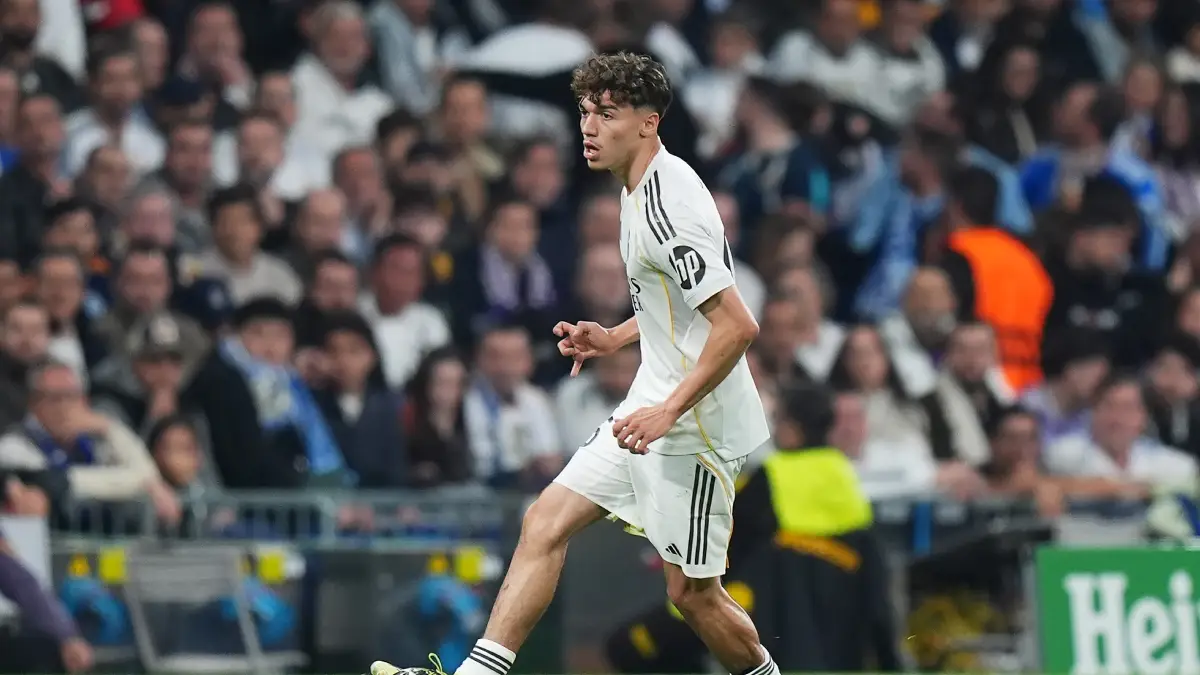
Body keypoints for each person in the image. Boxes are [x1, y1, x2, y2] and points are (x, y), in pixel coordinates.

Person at [372, 52, 776, 675]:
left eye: (607, 114)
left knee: (692, 596)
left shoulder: (670, 208)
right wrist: (616, 338)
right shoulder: (637, 187)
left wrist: (670, 410)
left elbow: (737, 326)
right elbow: (680, 303)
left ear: (649, 121)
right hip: (653, 402)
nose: (589, 127)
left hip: (694, 423)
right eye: (586, 112)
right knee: (545, 521)